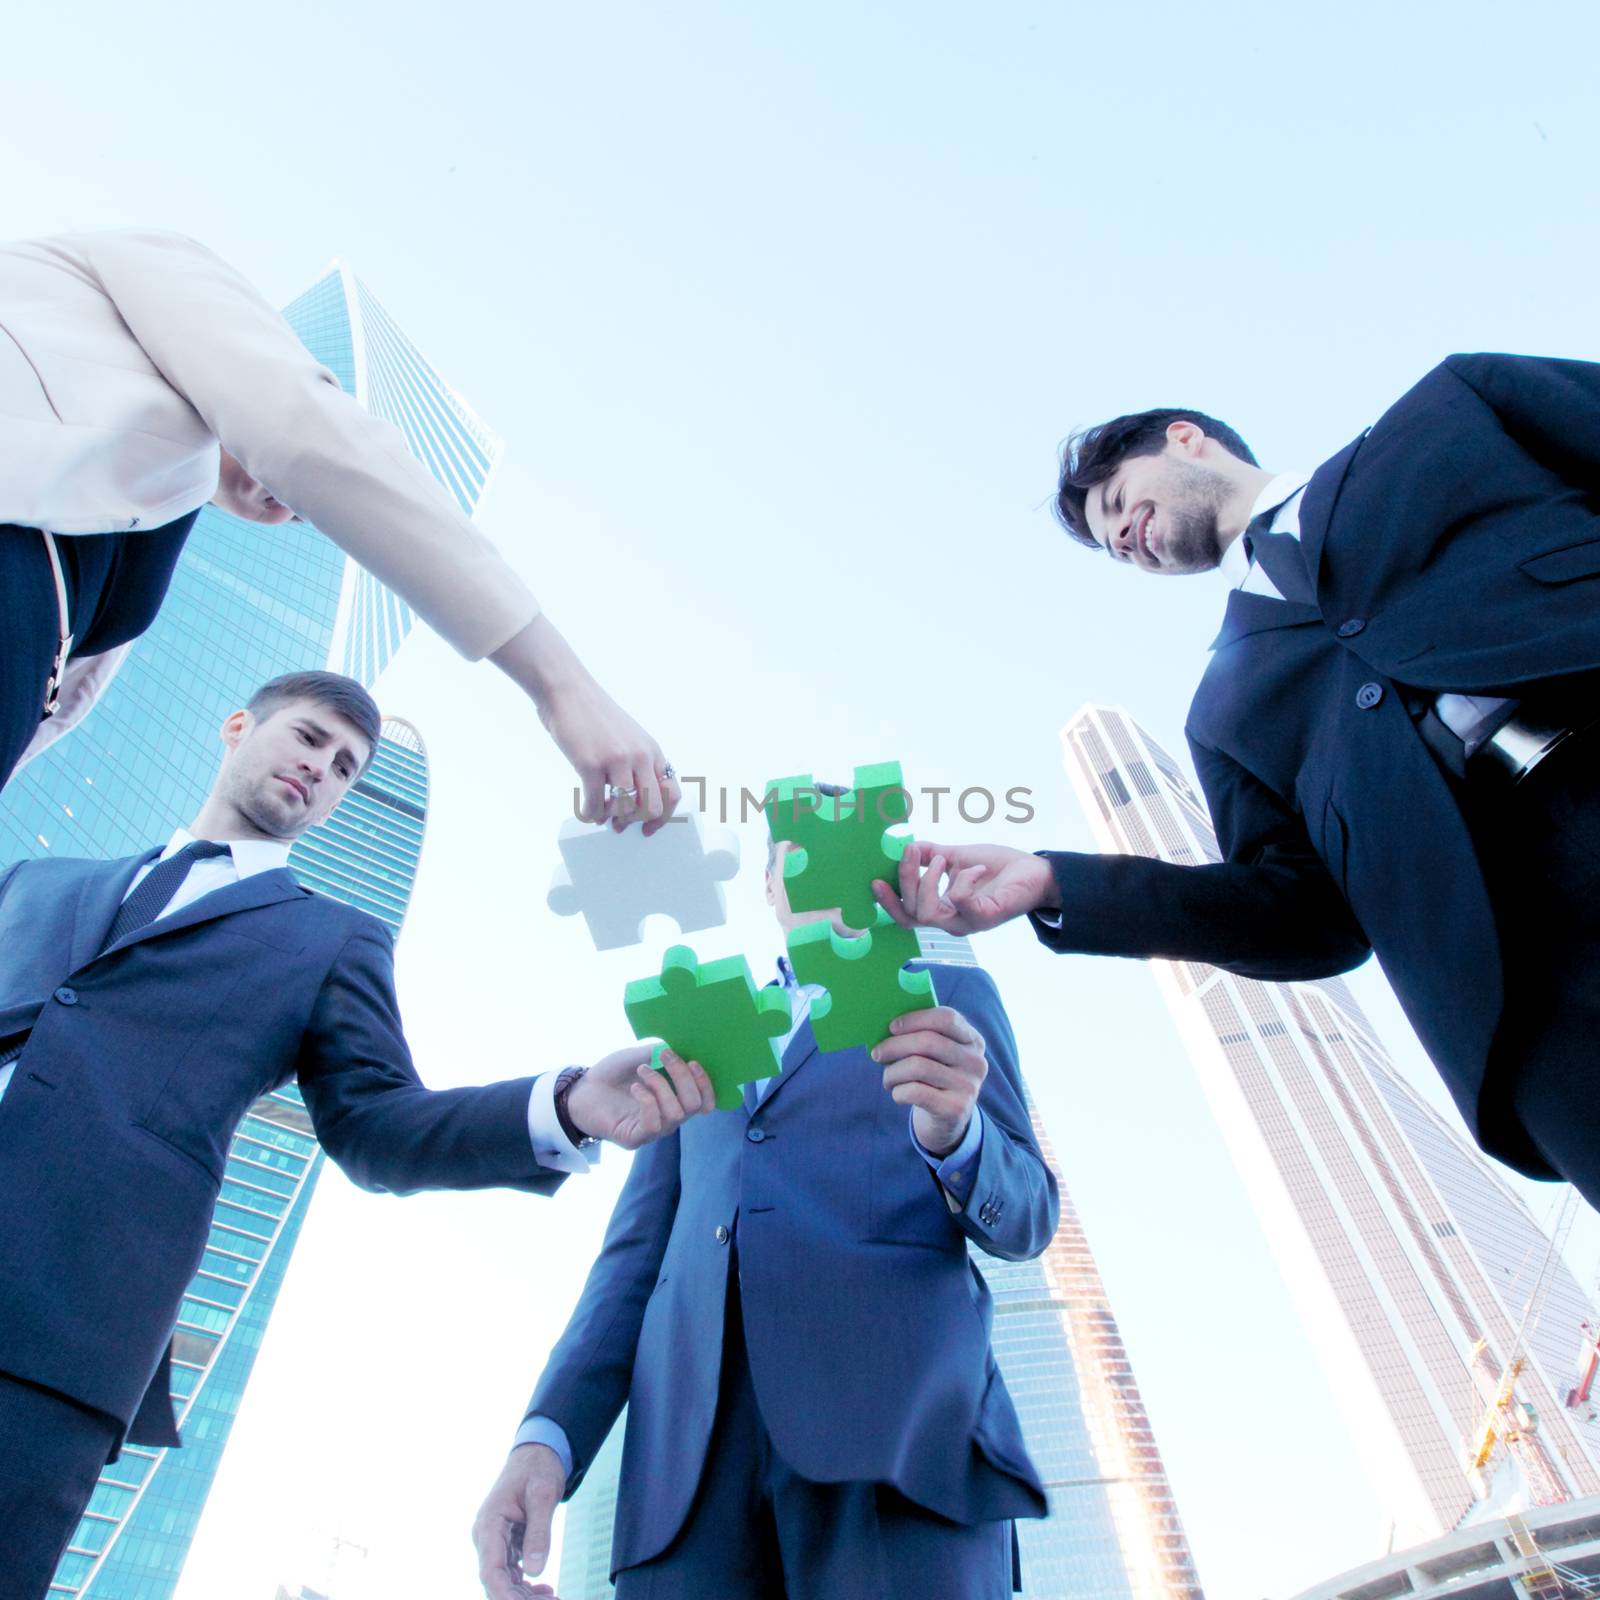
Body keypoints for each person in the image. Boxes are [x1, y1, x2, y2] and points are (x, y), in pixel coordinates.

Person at [0, 670, 715, 1600]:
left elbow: (381, 1128)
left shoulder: (330, 941)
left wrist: (570, 1101)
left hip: (52, 1334)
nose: (320, 770)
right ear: (236, 725)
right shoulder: (33, 882)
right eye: (307, 739)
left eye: (344, 768)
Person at [874, 352, 1600, 1204]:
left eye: (1115, 504)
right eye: (1113, 548)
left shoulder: (1453, 410)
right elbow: (1305, 920)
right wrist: (1051, 881)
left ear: (1186, 440)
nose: (1122, 539)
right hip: (1536, 999)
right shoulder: (1225, 715)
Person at [471, 818, 1060, 1599]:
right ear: (768, 884)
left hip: (899, 1446)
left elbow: (1028, 1217)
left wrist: (955, 1130)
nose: (818, 862)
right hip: (684, 1475)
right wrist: (545, 1439)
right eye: (796, 848)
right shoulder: (695, 1029)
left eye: (849, 844)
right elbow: (632, 1264)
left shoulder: (946, 996)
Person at [0, 228, 676, 828]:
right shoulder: (146, 269)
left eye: (301, 514)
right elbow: (299, 430)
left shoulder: (144, 512)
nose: (290, 508)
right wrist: (563, 686)